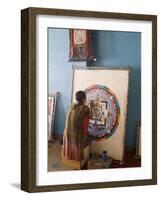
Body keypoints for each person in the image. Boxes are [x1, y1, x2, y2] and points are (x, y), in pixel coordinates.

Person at [62, 91, 91, 161]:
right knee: (84, 138)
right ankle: (77, 159)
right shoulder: (85, 108)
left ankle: (69, 157)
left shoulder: (71, 105)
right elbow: (88, 120)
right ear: (84, 99)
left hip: (66, 134)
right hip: (76, 136)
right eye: (85, 98)